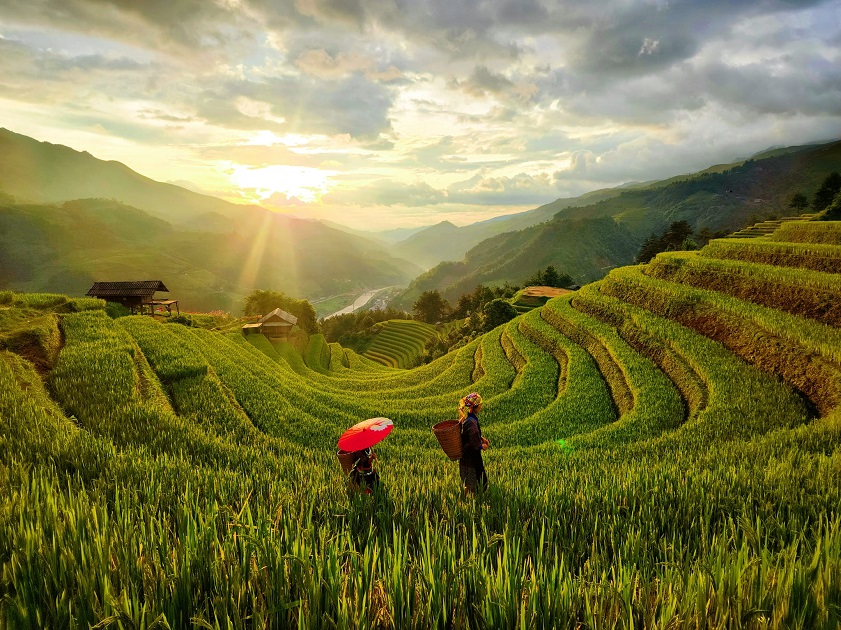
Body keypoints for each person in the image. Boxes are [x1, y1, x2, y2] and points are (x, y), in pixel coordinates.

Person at [458, 392, 489, 495]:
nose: (481, 406)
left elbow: (471, 435)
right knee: (477, 481)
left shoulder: (469, 418)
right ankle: (474, 500)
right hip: (472, 456)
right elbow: (474, 442)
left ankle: (465, 499)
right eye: (480, 404)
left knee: (468, 481)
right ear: (476, 406)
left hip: (466, 455)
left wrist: (481, 438)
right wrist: (482, 446)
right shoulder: (472, 422)